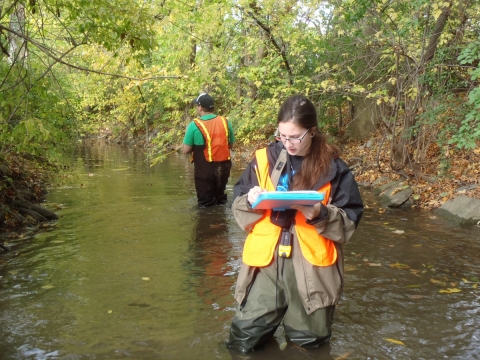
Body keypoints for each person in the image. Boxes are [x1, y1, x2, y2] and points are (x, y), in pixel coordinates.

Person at [226, 94, 364, 353]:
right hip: (265, 263)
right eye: (282, 136)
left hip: (312, 267)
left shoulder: (335, 168)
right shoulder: (263, 159)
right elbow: (238, 206)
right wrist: (249, 200)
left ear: (312, 131)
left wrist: (319, 214)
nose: (288, 143)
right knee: (242, 342)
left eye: (295, 137)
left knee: (308, 348)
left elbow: (349, 222)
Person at [183, 93, 235, 207]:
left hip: (205, 170)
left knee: (205, 205)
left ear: (200, 107)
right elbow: (230, 144)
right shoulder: (225, 121)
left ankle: (208, 222)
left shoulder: (194, 125)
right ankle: (221, 222)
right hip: (224, 168)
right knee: (220, 199)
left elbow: (186, 150)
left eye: (197, 105)